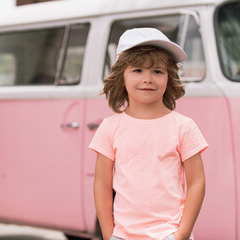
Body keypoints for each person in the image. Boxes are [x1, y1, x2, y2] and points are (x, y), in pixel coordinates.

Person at [89, 28, 208, 240]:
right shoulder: (109, 128)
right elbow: (102, 185)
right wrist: (109, 235)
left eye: (157, 71)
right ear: (121, 77)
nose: (148, 79)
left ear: (169, 78)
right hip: (122, 236)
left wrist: (182, 234)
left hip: (168, 234)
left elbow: (197, 182)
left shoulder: (184, 127)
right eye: (137, 70)